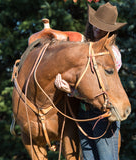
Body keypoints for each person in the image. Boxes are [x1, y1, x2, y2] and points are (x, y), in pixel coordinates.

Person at [55, 2, 127, 160]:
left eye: (103, 27)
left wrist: (71, 92)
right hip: (83, 114)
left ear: (110, 32)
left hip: (103, 114)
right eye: (96, 24)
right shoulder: (84, 48)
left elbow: (96, 88)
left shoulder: (111, 53)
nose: (97, 29)